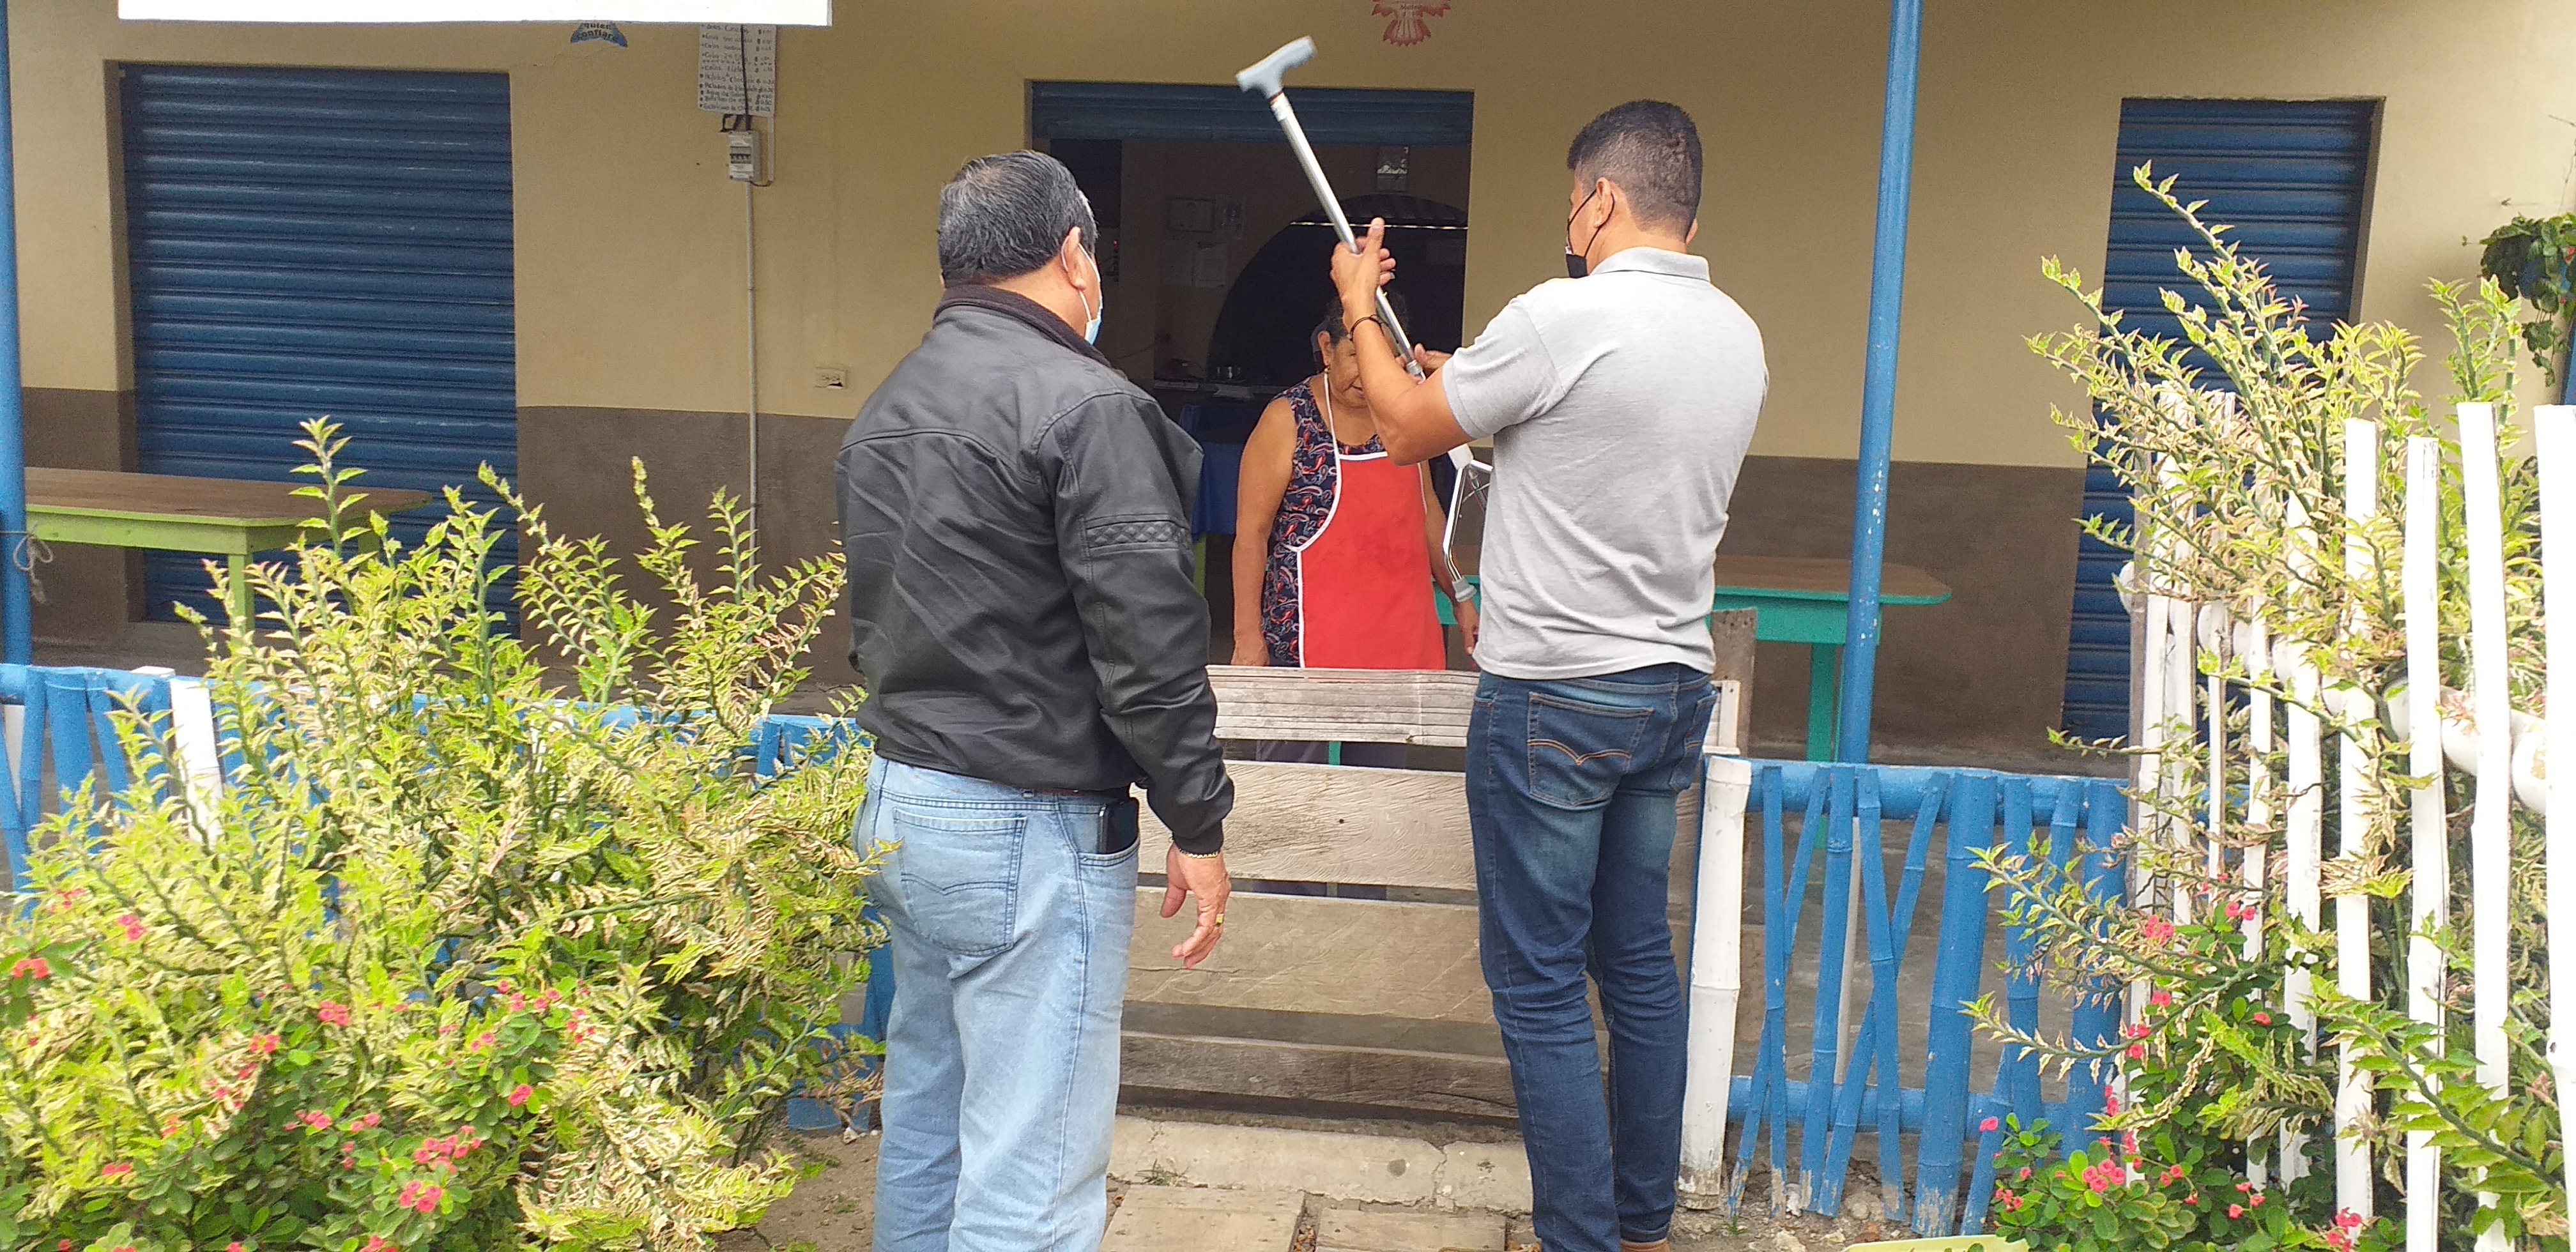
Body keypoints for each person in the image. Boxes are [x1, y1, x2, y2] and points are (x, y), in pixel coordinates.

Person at [1322, 102, 1766, 1252]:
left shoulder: (1563, 316)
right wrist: (1464, 378)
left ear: (1601, 199)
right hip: (1669, 690)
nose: (1570, 221)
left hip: (1555, 701)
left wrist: (1358, 305)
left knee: (1539, 983)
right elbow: (1573, 432)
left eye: (1574, 201)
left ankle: (1579, 1237)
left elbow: (1405, 431)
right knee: (1637, 964)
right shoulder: (1736, 336)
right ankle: (1641, 1221)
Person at [838, 150, 1234, 1252]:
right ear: (1074, 256)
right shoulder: (1089, 408)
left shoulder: (887, 406)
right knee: (1033, 1176)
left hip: (903, 807)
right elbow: (1149, 652)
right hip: (1027, 827)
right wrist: (1198, 822)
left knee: (929, 1119)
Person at [1230, 293, 1479, 770]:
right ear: (1327, 349)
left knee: (1379, 781)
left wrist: (1461, 594)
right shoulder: (1289, 419)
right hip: (1305, 637)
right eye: (1354, 355)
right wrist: (1247, 635)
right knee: (1292, 780)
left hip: (1393, 632)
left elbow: (1427, 513)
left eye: (1380, 358)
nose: (1367, 374)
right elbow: (1251, 534)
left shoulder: (1405, 416)